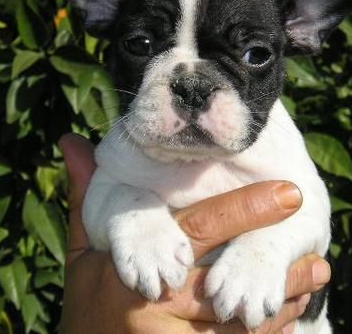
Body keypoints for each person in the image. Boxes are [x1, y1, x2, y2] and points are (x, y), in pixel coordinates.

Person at [58, 133, 332, 334]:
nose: (192, 91)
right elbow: (104, 197)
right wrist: (133, 215)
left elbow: (311, 216)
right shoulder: (126, 148)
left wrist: (263, 251)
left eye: (254, 54)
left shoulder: (282, 149)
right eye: (141, 50)